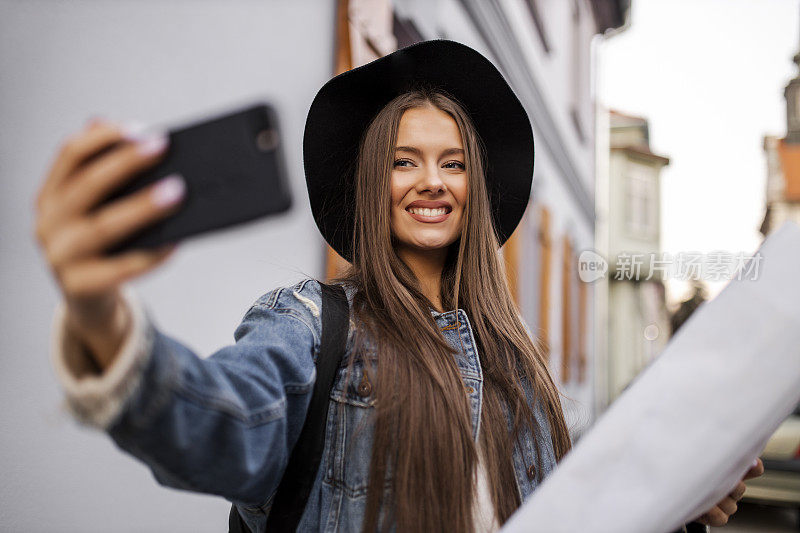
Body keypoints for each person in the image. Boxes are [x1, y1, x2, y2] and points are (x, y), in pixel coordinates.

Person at [34, 40, 761, 532]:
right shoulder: (312, 326)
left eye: (452, 162)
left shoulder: (518, 363)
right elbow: (219, 424)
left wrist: (684, 503)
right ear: (372, 182)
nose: (431, 182)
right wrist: (103, 317)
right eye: (404, 161)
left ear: (475, 187)